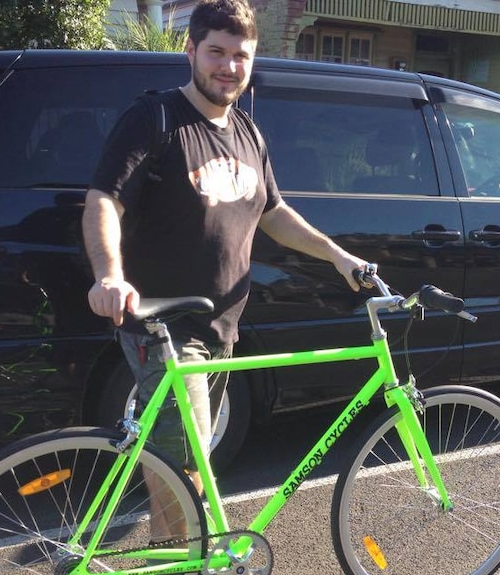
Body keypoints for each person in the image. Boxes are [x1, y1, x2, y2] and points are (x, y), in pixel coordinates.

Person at [82, 0, 366, 543]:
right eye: (217, 51)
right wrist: (109, 274)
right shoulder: (156, 117)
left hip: (221, 328)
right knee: (186, 460)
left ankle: (179, 549)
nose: (229, 66)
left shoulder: (249, 135)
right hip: (163, 327)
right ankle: (190, 551)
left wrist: (337, 254)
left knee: (180, 453)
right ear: (190, 51)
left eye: (241, 56)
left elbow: (274, 214)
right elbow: (104, 199)